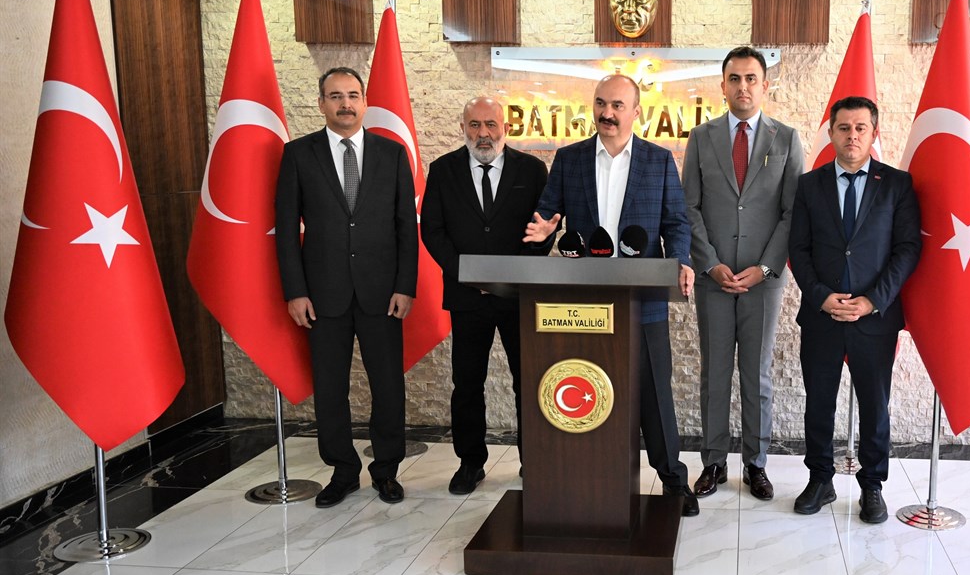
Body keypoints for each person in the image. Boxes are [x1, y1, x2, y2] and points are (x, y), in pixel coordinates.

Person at [524, 73, 700, 517]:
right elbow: (547, 215)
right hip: (583, 302)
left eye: (618, 105)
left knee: (655, 394)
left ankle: (673, 481)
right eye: (601, 103)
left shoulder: (659, 161)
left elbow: (677, 222)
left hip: (644, 299)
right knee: (588, 385)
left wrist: (681, 259)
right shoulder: (569, 159)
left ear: (636, 111)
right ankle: (590, 476)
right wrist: (545, 230)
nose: (608, 113)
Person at [275, 66, 418, 508]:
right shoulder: (298, 154)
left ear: (365, 102)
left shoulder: (392, 154)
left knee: (388, 386)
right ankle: (341, 471)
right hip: (322, 295)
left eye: (353, 95)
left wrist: (405, 286)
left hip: (382, 292)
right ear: (321, 104)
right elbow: (284, 228)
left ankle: (387, 470)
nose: (345, 104)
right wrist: (295, 291)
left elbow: (404, 227)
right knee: (331, 388)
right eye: (335, 96)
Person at [787, 96, 920, 523]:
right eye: (843, 127)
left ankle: (872, 486)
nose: (852, 135)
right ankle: (820, 479)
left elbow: (906, 249)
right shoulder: (810, 185)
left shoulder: (897, 185)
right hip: (822, 315)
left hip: (874, 320)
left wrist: (873, 300)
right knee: (819, 402)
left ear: (874, 133)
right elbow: (799, 249)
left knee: (874, 405)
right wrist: (821, 295)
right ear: (831, 133)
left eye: (861, 128)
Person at [682, 46, 802, 501]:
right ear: (723, 86)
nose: (743, 87)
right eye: (735, 79)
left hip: (763, 281)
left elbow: (793, 213)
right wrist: (710, 263)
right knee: (715, 373)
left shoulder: (786, 139)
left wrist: (765, 267)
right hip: (714, 278)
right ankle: (713, 461)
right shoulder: (701, 137)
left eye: (751, 79)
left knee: (757, 373)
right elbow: (688, 208)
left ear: (764, 85)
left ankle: (756, 464)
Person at [422, 97, 548, 495]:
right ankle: (470, 463)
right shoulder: (442, 170)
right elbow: (433, 230)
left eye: (490, 124)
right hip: (467, 296)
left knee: (527, 381)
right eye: (474, 124)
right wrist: (466, 274)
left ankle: (534, 460)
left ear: (505, 127)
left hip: (518, 296)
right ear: (464, 127)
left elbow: (544, 229)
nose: (483, 133)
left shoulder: (532, 170)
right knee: (467, 382)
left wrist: (518, 272)